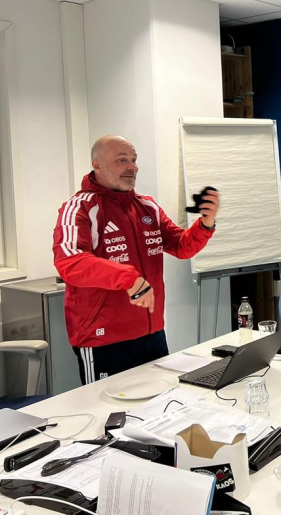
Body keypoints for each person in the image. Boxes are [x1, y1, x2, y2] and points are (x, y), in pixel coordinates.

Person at [53, 135, 219, 384]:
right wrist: (129, 279)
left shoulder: (147, 206)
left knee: (162, 400)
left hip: (152, 332)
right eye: (122, 160)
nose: (132, 167)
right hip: (103, 340)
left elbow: (181, 246)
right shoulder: (80, 207)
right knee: (105, 406)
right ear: (97, 164)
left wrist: (205, 223)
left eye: (134, 159)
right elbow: (70, 262)